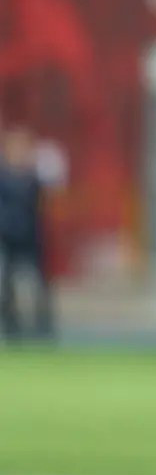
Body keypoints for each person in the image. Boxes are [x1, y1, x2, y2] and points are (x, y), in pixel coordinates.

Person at [0, 126, 54, 342]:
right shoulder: (3, 178)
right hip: (7, 238)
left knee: (39, 285)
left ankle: (43, 328)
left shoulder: (34, 178)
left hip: (31, 238)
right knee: (7, 286)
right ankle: (12, 328)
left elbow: (45, 202)